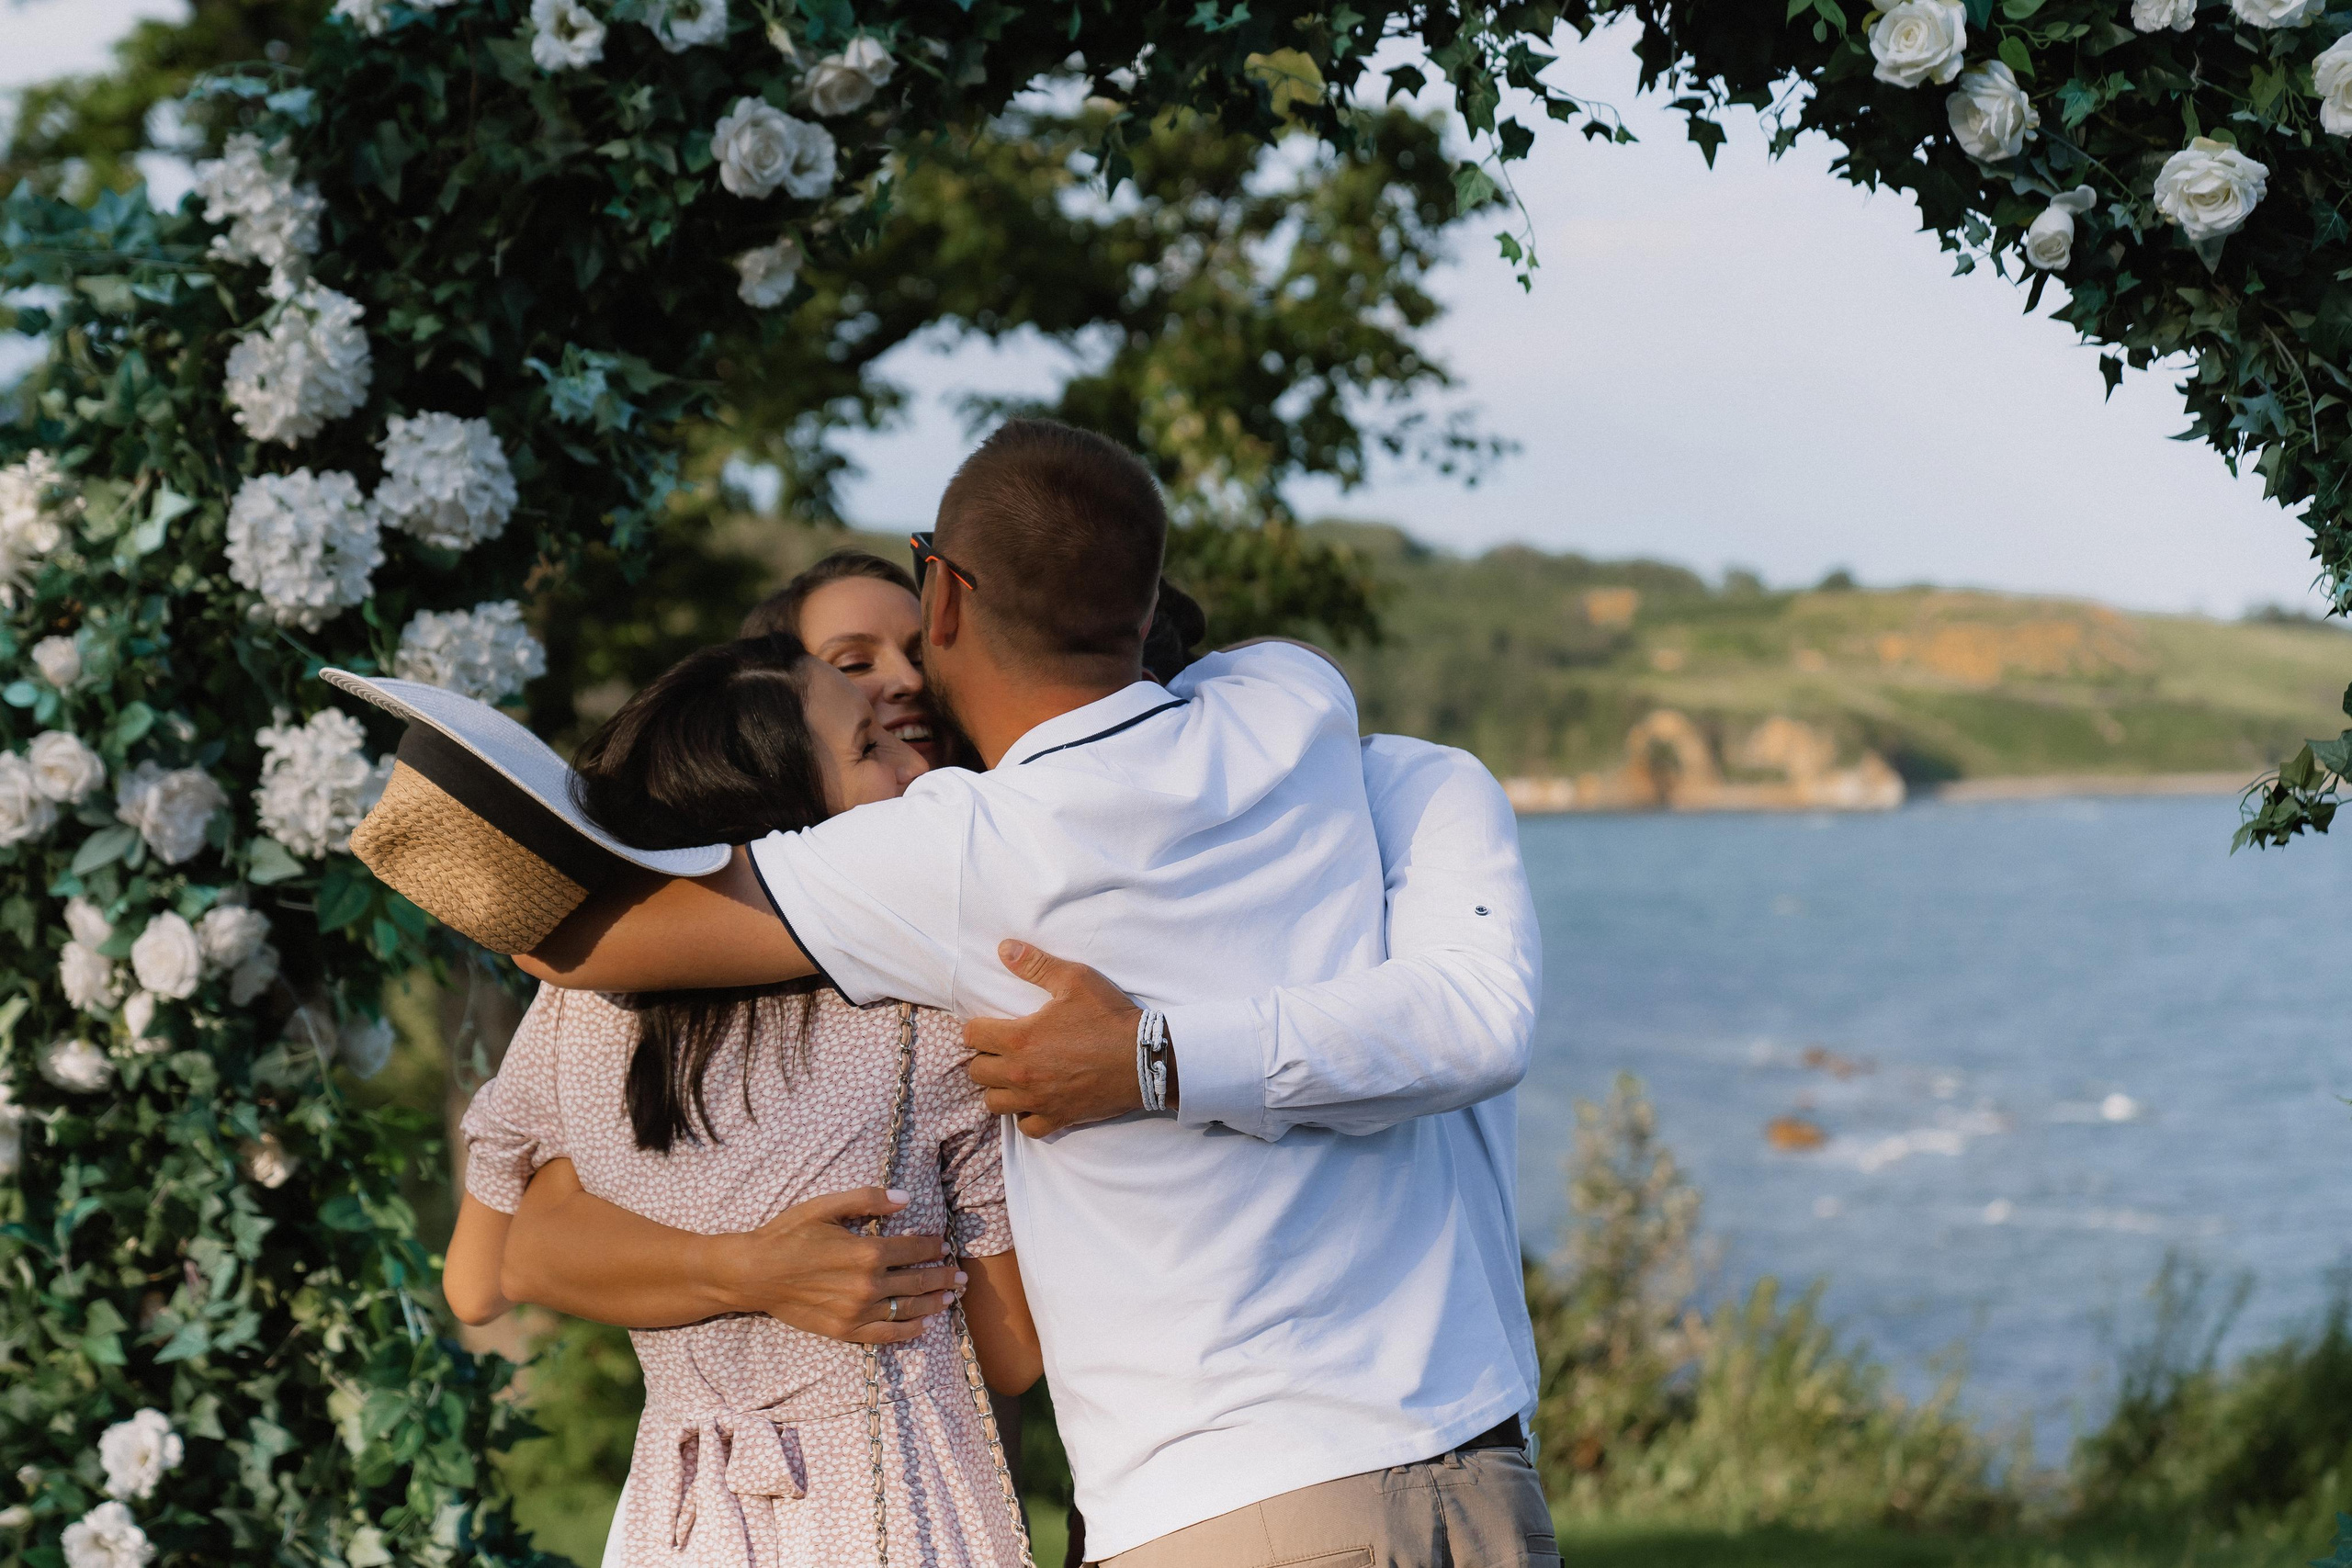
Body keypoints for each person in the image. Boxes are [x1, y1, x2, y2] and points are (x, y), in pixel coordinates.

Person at [508, 419, 1555, 1567]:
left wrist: (1149, 1058)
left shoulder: (960, 853)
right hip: (1469, 1471)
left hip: (1219, 1499)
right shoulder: (1297, 699)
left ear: (945, 597)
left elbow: (575, 941)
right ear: (1144, 608)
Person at [443, 634, 1039, 1567]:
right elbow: (1014, 1353)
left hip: (681, 1518)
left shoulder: (580, 1005)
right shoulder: (928, 1014)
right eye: (869, 747)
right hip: (890, 1513)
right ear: (782, 819)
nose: (915, 766)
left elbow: (477, 1279)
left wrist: (716, 1264)